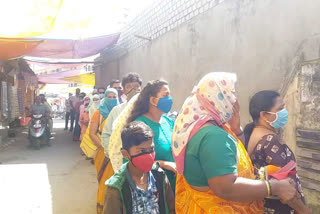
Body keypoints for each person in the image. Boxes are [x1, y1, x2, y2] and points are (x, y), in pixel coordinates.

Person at [171, 72, 298, 214]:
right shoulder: (213, 136)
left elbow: (230, 159)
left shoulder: (202, 128)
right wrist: (274, 187)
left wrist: (236, 129)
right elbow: (226, 187)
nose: (234, 99)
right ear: (217, 98)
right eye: (230, 94)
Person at [244, 91, 309, 214]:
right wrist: (304, 210)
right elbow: (286, 190)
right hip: (282, 209)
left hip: (265, 207)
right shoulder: (271, 141)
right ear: (264, 115)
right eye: (280, 108)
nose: (285, 111)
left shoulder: (252, 134)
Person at [103, 121, 175, 214]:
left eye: (151, 149)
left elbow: (171, 208)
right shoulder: (116, 189)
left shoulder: (160, 176)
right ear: (126, 154)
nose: (149, 155)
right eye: (141, 151)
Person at [127, 80, 176, 193]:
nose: (170, 99)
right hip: (153, 189)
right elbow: (132, 164)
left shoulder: (167, 121)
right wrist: (163, 164)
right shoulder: (139, 126)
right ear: (153, 100)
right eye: (166, 95)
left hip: (174, 187)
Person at [89, 88, 119, 214]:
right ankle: (102, 207)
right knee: (104, 181)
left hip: (118, 151)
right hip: (104, 152)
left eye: (114, 97)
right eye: (109, 97)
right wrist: (105, 146)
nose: (112, 99)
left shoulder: (121, 112)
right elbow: (92, 133)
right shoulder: (98, 113)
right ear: (104, 98)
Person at [101, 73, 142, 158]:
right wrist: (113, 154)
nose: (133, 89)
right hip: (121, 159)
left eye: (136, 86)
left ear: (141, 89)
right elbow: (106, 135)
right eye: (129, 87)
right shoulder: (117, 111)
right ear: (123, 90)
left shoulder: (148, 110)